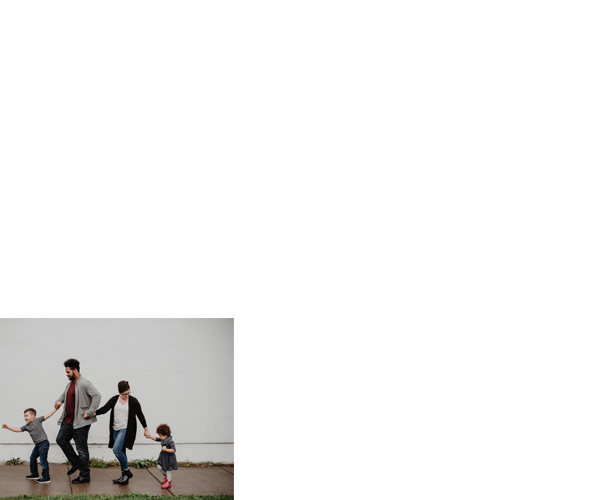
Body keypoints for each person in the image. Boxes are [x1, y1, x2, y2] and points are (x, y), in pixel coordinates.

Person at [85, 380, 150, 485]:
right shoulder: (115, 399)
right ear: (119, 392)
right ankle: (124, 477)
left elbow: (140, 415)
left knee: (116, 450)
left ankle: (127, 471)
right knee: (122, 451)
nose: (127, 396)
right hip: (115, 429)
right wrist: (91, 413)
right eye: (124, 394)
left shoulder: (133, 401)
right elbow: (105, 409)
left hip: (126, 428)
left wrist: (146, 429)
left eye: (128, 393)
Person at [55, 358, 101, 484]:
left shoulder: (85, 383)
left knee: (82, 449)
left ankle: (85, 475)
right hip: (68, 421)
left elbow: (97, 396)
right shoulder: (70, 384)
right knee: (61, 440)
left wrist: (90, 412)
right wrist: (59, 401)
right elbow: (64, 395)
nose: (66, 374)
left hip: (80, 423)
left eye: (68, 372)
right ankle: (76, 462)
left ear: (75, 370)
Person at [2, 406, 58, 484]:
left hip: (44, 443)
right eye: (24, 416)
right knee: (32, 458)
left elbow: (48, 415)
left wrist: (55, 409)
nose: (25, 418)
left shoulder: (38, 420)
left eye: (26, 415)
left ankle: (46, 477)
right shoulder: (27, 426)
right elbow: (17, 429)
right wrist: (8, 427)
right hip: (37, 445)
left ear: (33, 416)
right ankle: (34, 474)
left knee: (43, 461)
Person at [146, 423, 178, 489]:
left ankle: (168, 482)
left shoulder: (170, 441)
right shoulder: (163, 439)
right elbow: (156, 438)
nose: (160, 437)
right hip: (163, 457)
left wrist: (166, 449)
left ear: (166, 435)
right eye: (159, 436)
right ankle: (165, 475)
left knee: (168, 470)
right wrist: (150, 436)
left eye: (161, 436)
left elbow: (174, 450)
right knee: (159, 466)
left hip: (169, 459)